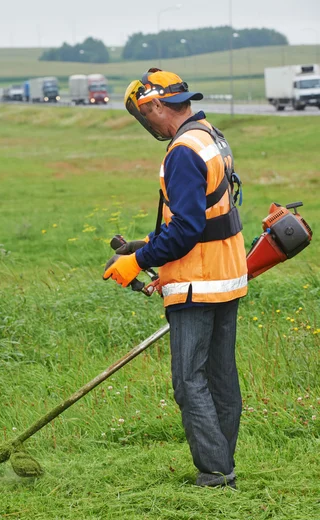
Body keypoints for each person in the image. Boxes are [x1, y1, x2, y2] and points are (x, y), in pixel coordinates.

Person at [103, 68, 248, 489]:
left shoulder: (182, 150)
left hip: (197, 282)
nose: (146, 124)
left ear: (153, 105)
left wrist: (138, 261)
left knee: (190, 381)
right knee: (221, 377)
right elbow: (205, 218)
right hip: (225, 275)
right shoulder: (209, 135)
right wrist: (147, 245)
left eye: (143, 115)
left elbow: (186, 230)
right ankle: (224, 464)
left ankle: (217, 474)